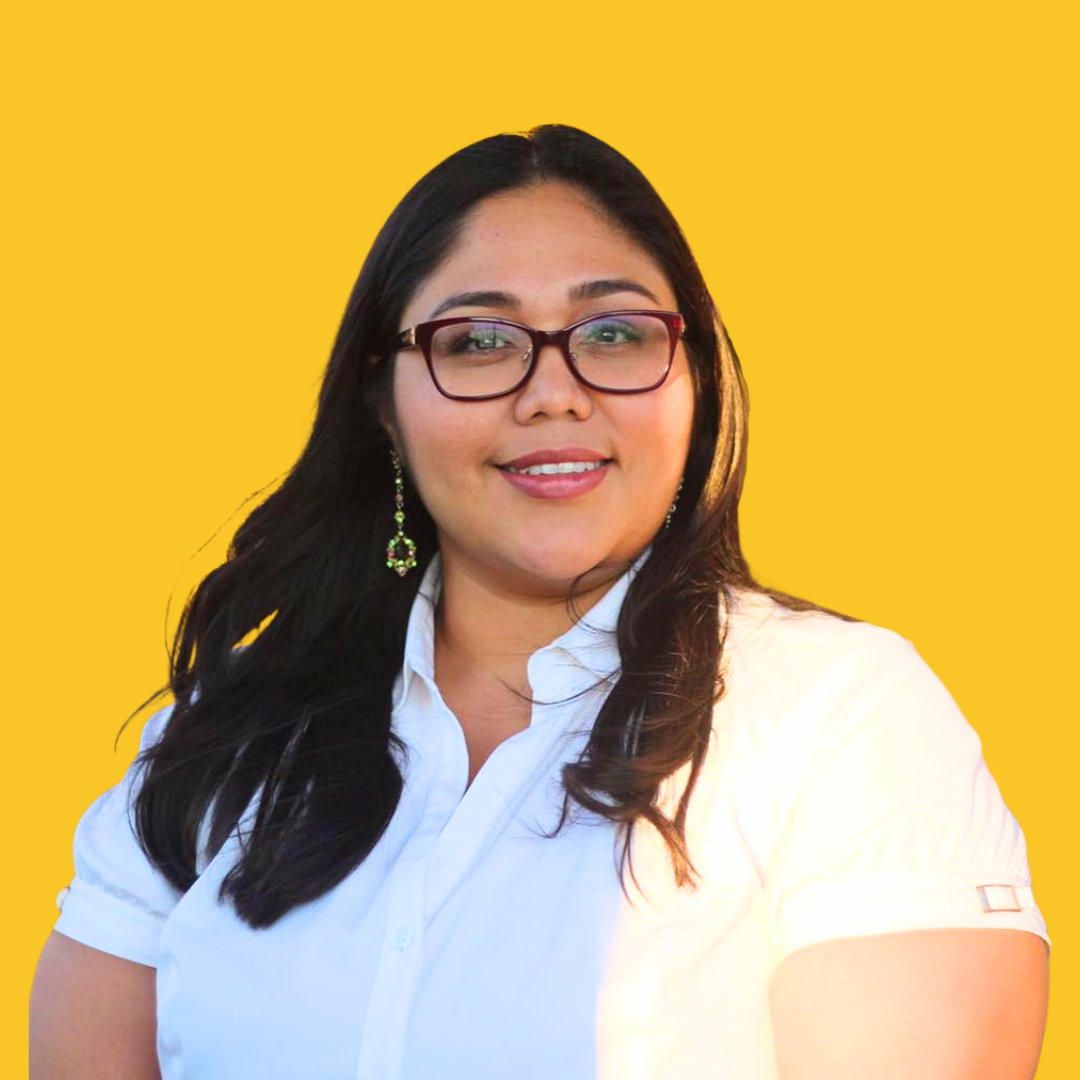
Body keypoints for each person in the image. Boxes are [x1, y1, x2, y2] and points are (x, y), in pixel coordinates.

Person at [29, 124, 1050, 1079]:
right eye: (478, 341)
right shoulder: (224, 739)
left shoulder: (837, 716)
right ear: (381, 400)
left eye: (614, 333)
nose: (554, 391)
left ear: (694, 379)